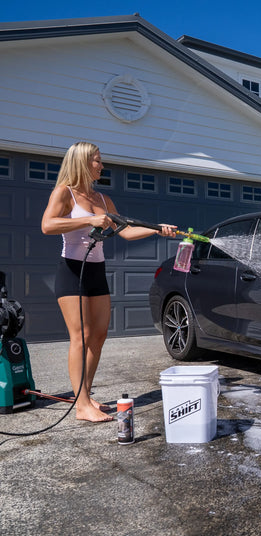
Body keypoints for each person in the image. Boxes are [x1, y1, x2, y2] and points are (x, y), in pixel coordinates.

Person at [41, 142, 176, 423]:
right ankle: (81, 407)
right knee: (80, 337)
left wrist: (156, 230)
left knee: (99, 336)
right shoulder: (64, 193)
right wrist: (90, 219)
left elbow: (125, 233)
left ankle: (86, 396)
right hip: (71, 270)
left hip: (96, 271)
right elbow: (48, 225)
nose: (101, 166)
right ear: (82, 162)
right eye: (97, 161)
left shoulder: (103, 199)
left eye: (100, 161)